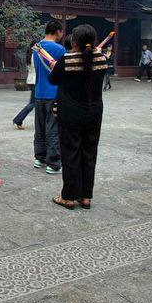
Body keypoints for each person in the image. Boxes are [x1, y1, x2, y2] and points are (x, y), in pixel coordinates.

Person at [48, 24, 109, 211]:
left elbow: (53, 80)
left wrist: (54, 66)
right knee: (89, 153)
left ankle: (68, 197)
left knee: (70, 154)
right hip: (93, 112)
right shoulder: (102, 59)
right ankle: (86, 196)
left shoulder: (66, 59)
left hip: (70, 113)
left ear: (74, 41)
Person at [33, 20, 63, 174]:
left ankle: (40, 158)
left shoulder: (36, 48)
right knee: (52, 128)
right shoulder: (59, 49)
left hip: (39, 92)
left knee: (40, 127)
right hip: (54, 93)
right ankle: (53, 162)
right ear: (57, 31)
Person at [12, 45, 36, 129]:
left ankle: (18, 120)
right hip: (35, 81)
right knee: (33, 103)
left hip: (31, 80)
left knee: (34, 103)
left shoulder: (29, 55)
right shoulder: (35, 56)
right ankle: (18, 119)